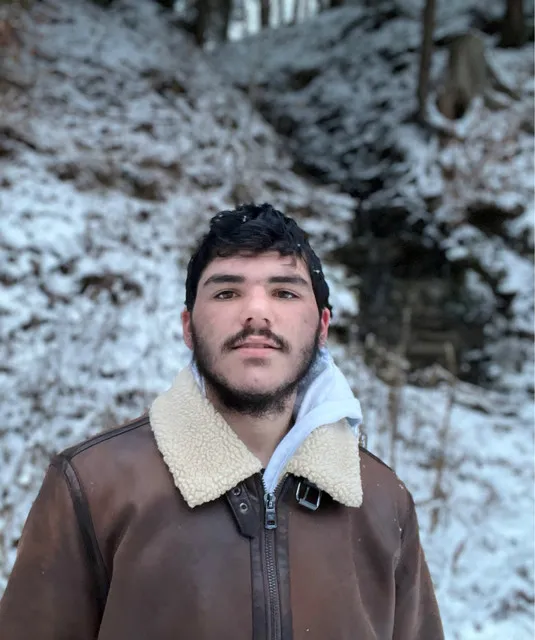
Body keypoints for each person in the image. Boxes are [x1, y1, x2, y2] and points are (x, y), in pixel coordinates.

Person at [0, 203, 444, 639]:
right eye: (227, 292)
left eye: (285, 292)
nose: (257, 313)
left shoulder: (382, 500)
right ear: (188, 326)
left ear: (322, 327)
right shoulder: (93, 487)